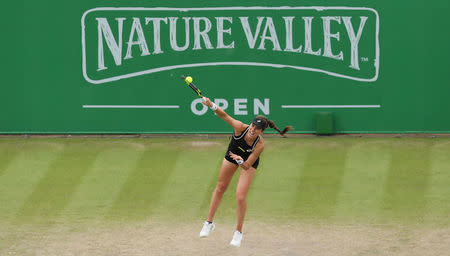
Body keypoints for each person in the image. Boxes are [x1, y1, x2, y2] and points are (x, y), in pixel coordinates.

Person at [199, 97, 292, 247]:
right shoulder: (240, 127)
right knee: (220, 187)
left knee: (240, 197)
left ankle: (238, 233)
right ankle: (209, 223)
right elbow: (224, 115)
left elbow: (247, 165)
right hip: (233, 153)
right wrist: (211, 105)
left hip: (248, 161)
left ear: (261, 132)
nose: (252, 129)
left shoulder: (260, 145)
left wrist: (241, 160)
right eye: (252, 125)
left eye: (256, 128)